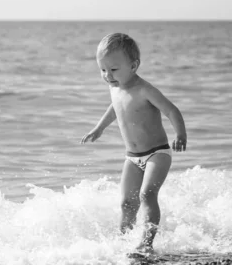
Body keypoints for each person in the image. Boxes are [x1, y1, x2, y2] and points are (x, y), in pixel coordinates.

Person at [80, 32, 187, 255]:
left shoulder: (144, 89)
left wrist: (180, 135)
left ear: (134, 65)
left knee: (147, 195)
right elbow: (115, 108)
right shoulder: (115, 88)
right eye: (103, 70)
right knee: (126, 203)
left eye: (114, 69)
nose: (108, 75)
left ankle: (146, 243)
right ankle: (123, 241)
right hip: (132, 157)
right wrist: (99, 128)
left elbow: (171, 110)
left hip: (157, 153)